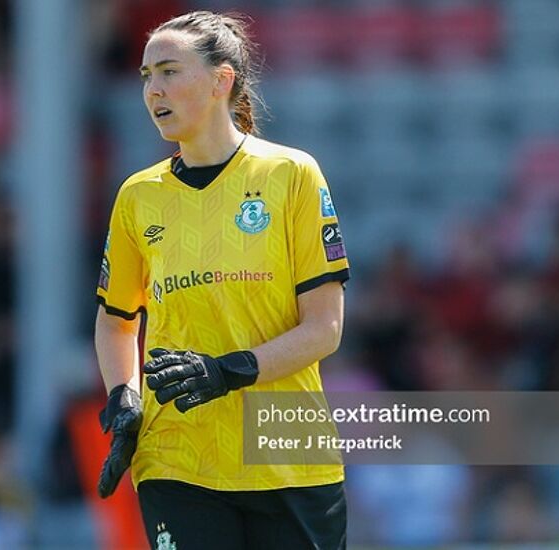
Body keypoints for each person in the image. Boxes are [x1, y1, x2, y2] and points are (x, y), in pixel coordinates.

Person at [94, 10, 350, 549]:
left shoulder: (291, 176)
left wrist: (227, 372)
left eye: (168, 71)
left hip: (286, 455)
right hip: (178, 454)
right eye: (145, 76)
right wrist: (124, 396)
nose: (152, 90)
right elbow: (117, 322)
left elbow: (324, 329)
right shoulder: (138, 197)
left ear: (221, 80)